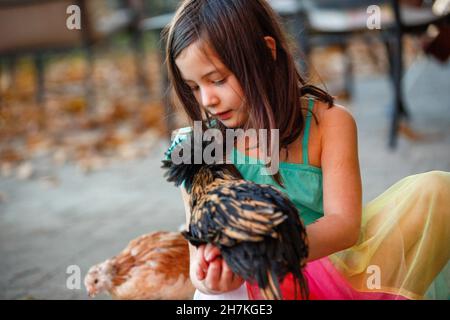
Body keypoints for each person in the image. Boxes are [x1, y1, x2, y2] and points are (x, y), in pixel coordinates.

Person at [162, 0, 450, 300]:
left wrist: (272, 248)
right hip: (256, 285)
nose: (206, 99)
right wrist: (206, 276)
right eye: (194, 87)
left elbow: (344, 225)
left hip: (327, 267)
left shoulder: (329, 122)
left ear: (266, 53)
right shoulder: (196, 147)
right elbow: (198, 249)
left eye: (218, 80)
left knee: (436, 190)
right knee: (214, 295)